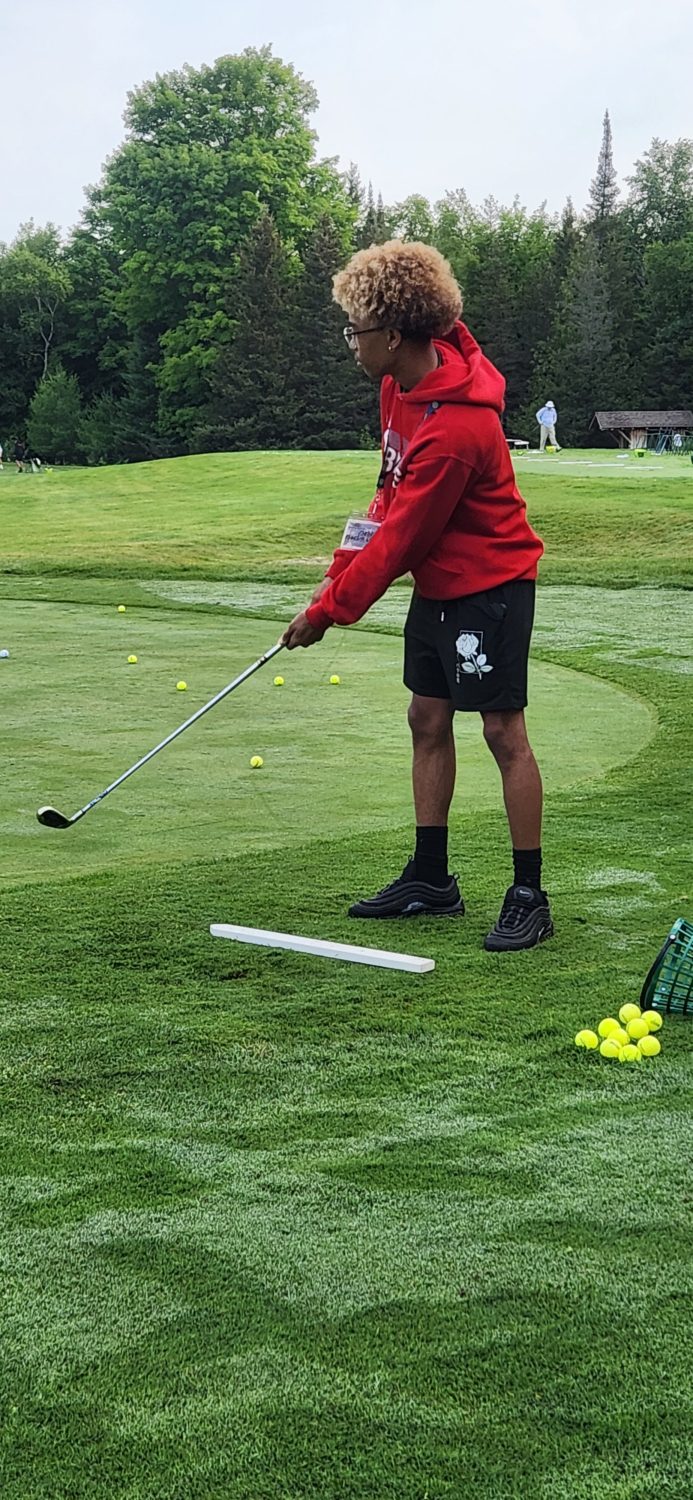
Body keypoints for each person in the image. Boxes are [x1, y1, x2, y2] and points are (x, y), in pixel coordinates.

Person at [282, 240, 553, 952]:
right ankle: (431, 879)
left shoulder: (458, 428)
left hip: (491, 587)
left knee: (502, 733)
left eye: (356, 331)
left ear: (395, 335)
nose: (351, 343)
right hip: (439, 587)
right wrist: (337, 571)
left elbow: (402, 539)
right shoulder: (396, 388)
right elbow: (385, 495)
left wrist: (327, 612)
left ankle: (529, 895)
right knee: (426, 718)